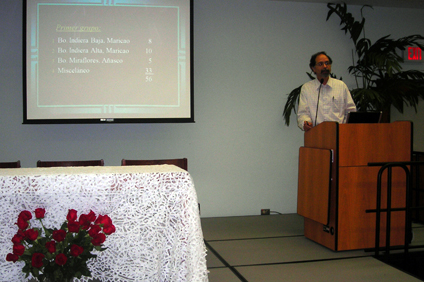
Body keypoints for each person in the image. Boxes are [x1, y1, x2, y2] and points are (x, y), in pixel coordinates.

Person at [297, 51, 357, 131]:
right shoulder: (307, 88)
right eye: (320, 64)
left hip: (339, 134)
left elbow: (351, 112)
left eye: (327, 63)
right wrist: (306, 123)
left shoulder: (340, 86)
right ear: (313, 68)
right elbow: (303, 114)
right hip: (316, 135)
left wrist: (345, 129)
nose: (325, 66)